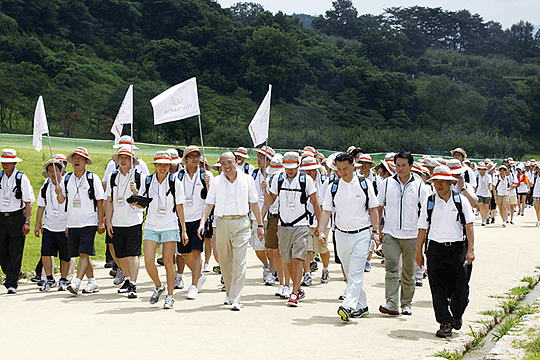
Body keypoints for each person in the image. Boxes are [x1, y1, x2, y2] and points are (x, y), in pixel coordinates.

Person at [197, 151, 264, 311]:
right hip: (221, 223)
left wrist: (260, 225)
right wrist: (202, 222)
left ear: (236, 162)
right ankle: (229, 292)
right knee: (225, 262)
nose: (227, 166)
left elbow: (254, 203)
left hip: (241, 222)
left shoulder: (247, 179)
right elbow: (209, 203)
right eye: (223, 163)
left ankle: (236, 297)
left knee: (240, 262)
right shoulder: (216, 181)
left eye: (230, 163)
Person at [318, 152, 380, 321]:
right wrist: (322, 230)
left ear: (354, 166)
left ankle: (348, 305)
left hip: (362, 234)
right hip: (341, 235)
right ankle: (362, 306)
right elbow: (326, 211)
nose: (342, 172)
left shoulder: (364, 184)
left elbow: (373, 209)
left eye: (345, 168)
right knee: (349, 272)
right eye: (339, 169)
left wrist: (375, 232)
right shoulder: (333, 186)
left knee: (356, 272)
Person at [416, 165, 475, 338]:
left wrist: (471, 250)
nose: (439, 185)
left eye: (442, 181)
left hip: (457, 249)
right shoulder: (430, 201)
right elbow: (422, 229)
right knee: (437, 288)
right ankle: (445, 322)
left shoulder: (461, 200)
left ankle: (457, 314)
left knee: (461, 288)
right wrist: (418, 253)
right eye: (436, 181)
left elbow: (469, 226)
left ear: (450, 182)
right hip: (435, 250)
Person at [263, 152, 322, 307]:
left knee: (297, 259)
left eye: (293, 167)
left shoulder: (306, 180)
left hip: (301, 224)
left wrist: (320, 226)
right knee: (287, 260)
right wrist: (264, 190)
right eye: (287, 167)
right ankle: (298, 288)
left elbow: (315, 202)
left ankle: (294, 293)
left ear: (298, 165)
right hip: (283, 225)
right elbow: (270, 201)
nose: (290, 170)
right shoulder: (278, 179)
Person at [377, 151, 429, 316]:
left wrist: (423, 232)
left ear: (411, 166)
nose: (399, 168)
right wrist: (378, 228)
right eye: (397, 165)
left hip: (412, 233)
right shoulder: (386, 184)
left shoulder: (420, 185)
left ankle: (406, 303)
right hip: (390, 232)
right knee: (391, 267)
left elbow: (426, 210)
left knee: (408, 270)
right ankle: (391, 303)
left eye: (403, 165)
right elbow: (379, 206)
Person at [141, 151, 188, 309]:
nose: (163, 167)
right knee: (148, 261)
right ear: (155, 165)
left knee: (168, 261)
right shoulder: (147, 181)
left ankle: (170, 295)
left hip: (170, 225)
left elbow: (180, 207)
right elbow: (142, 202)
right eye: (160, 164)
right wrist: (135, 199)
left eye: (166, 164)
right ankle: (158, 285)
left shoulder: (176, 182)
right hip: (151, 225)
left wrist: (184, 230)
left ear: (170, 166)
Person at [61, 147, 106, 295]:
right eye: (74, 158)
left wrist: (101, 222)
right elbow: (62, 200)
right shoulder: (67, 179)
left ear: (86, 161)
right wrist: (58, 193)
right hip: (73, 222)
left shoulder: (93, 178)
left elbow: (100, 201)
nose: (76, 161)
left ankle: (76, 282)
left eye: (79, 158)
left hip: (89, 221)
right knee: (82, 255)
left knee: (83, 253)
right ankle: (92, 282)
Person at [104, 147, 145, 298]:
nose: (123, 160)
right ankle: (127, 279)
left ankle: (133, 283)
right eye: (121, 157)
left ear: (132, 160)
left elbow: (144, 202)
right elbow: (109, 200)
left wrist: (136, 192)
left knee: (133, 254)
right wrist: (108, 221)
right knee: (120, 254)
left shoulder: (139, 176)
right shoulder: (112, 177)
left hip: (134, 220)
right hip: (117, 221)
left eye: (126, 157)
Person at [175, 145, 212, 300]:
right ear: (186, 159)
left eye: (197, 156)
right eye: (191, 156)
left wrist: (209, 184)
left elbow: (212, 198)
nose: (195, 159)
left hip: (199, 218)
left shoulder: (205, 174)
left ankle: (194, 285)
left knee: (196, 252)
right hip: (183, 218)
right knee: (184, 253)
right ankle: (199, 274)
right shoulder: (179, 176)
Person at [0, 149, 35, 294]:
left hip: (16, 217)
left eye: (8, 162)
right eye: (3, 162)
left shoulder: (22, 178)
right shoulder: (0, 176)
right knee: (2, 250)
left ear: (14, 162)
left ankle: (11, 282)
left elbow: (28, 202)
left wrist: (27, 221)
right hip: (1, 216)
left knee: (15, 250)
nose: (5, 165)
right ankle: (13, 273)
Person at [34, 158, 70, 291]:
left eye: (55, 170)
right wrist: (38, 224)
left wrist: (60, 193)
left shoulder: (67, 184)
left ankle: (64, 279)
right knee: (46, 253)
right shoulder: (46, 186)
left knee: (65, 255)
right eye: (49, 171)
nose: (52, 174)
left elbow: (65, 203)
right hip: (49, 225)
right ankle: (49, 279)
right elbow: (41, 206)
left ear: (61, 171)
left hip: (64, 224)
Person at [299, 156, 331, 285]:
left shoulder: (325, 181)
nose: (308, 173)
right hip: (305, 220)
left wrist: (320, 225)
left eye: (310, 170)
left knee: (322, 248)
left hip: (322, 220)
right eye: (305, 171)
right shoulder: (301, 180)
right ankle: (307, 274)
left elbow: (323, 205)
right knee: (306, 248)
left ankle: (325, 268)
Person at [251, 146, 275, 284]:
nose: (258, 159)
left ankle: (272, 272)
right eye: (258, 157)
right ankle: (266, 264)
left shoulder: (276, 175)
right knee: (258, 248)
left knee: (271, 247)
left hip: (271, 217)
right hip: (256, 216)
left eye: (262, 157)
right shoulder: (254, 174)